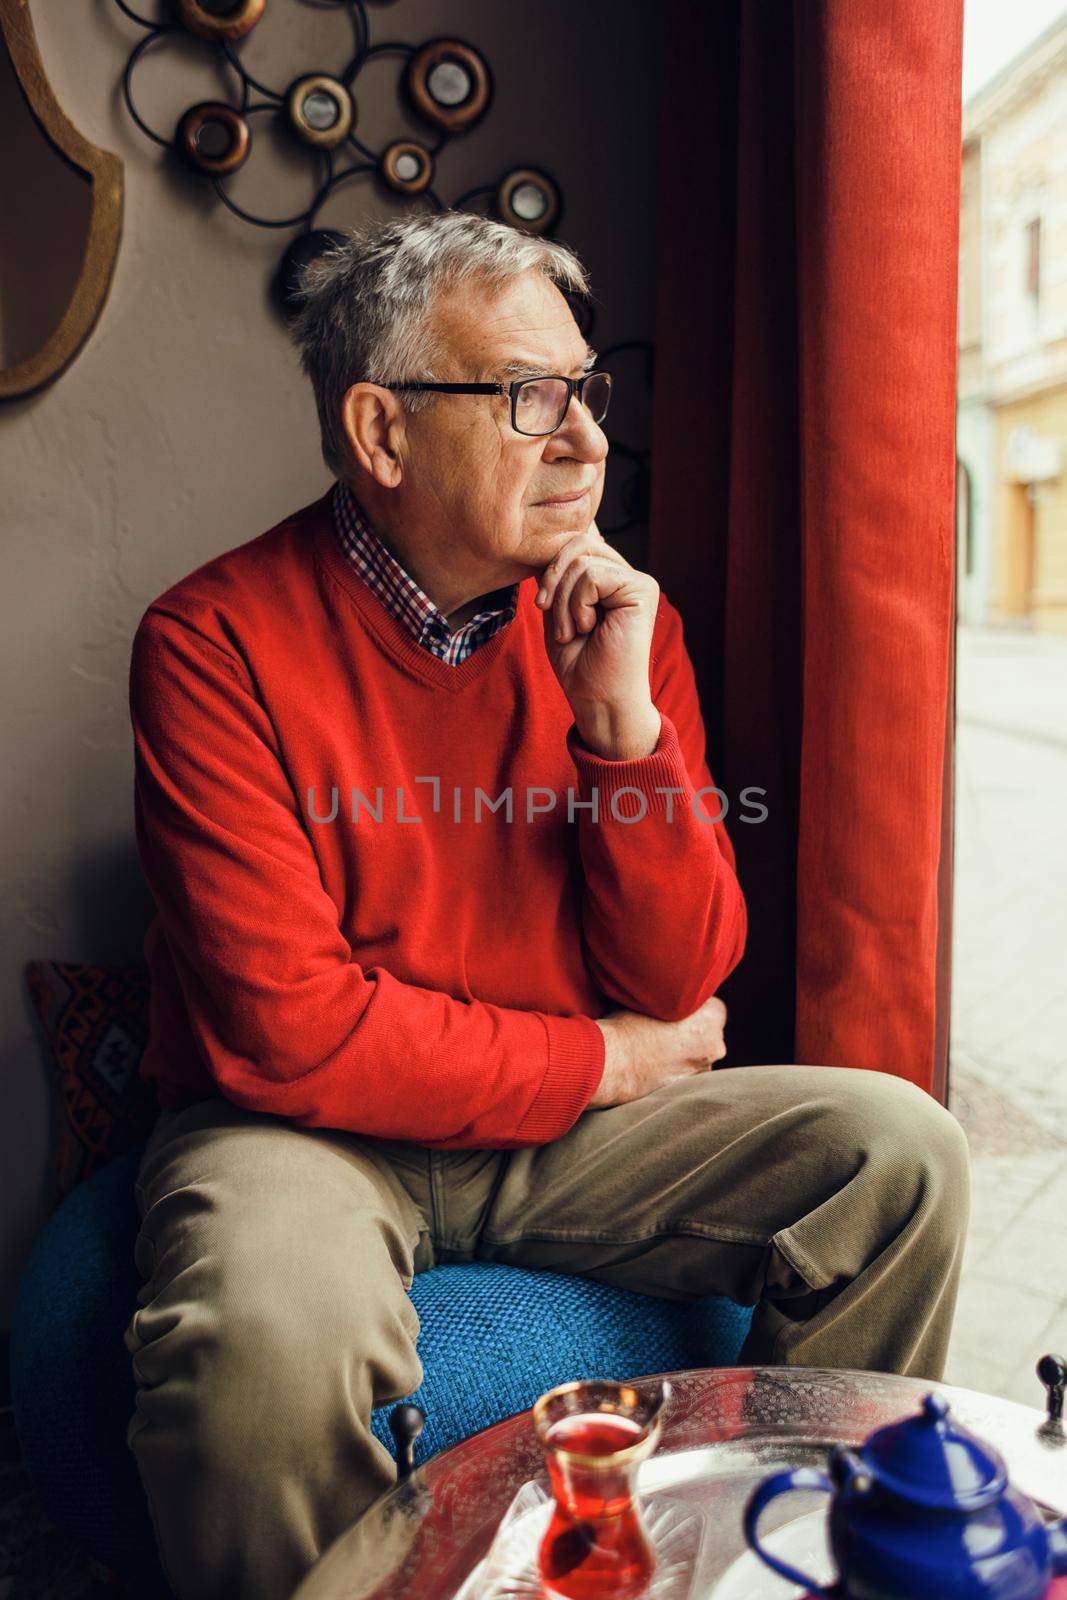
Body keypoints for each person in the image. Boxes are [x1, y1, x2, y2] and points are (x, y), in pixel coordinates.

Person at [123, 210, 971, 1600]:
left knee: (899, 1155)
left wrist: (621, 731)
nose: (583, 440)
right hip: (306, 1136)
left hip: (568, 1140)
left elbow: (689, 967)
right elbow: (289, 1035)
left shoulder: (619, 625)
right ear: (382, 436)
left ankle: (792, 1566)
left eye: (586, 393)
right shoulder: (209, 644)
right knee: (260, 1338)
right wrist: (612, 1061)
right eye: (529, 397)